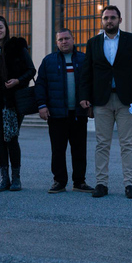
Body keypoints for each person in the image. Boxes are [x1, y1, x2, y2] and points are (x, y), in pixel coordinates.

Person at [80, 6, 132, 199]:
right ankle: (101, 184)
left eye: (112, 18)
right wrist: (84, 96)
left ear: (120, 19)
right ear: (101, 21)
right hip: (101, 100)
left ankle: (130, 184)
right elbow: (87, 72)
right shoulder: (93, 42)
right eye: (105, 18)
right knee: (102, 144)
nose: (109, 21)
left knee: (127, 143)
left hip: (127, 100)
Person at [0, 15, 36, 192]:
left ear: (6, 29)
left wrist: (18, 81)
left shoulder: (17, 46)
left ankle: (16, 179)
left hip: (13, 101)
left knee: (12, 138)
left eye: (0, 27)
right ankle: (4, 179)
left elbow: (31, 70)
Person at [35, 28, 94, 194]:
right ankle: (59, 181)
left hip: (78, 114)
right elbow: (41, 85)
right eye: (60, 39)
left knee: (79, 149)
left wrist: (92, 104)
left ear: (73, 39)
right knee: (58, 150)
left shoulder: (84, 59)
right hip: (56, 114)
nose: (64, 42)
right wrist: (42, 105)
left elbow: (91, 83)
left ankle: (79, 181)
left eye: (67, 38)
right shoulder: (48, 61)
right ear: (56, 42)